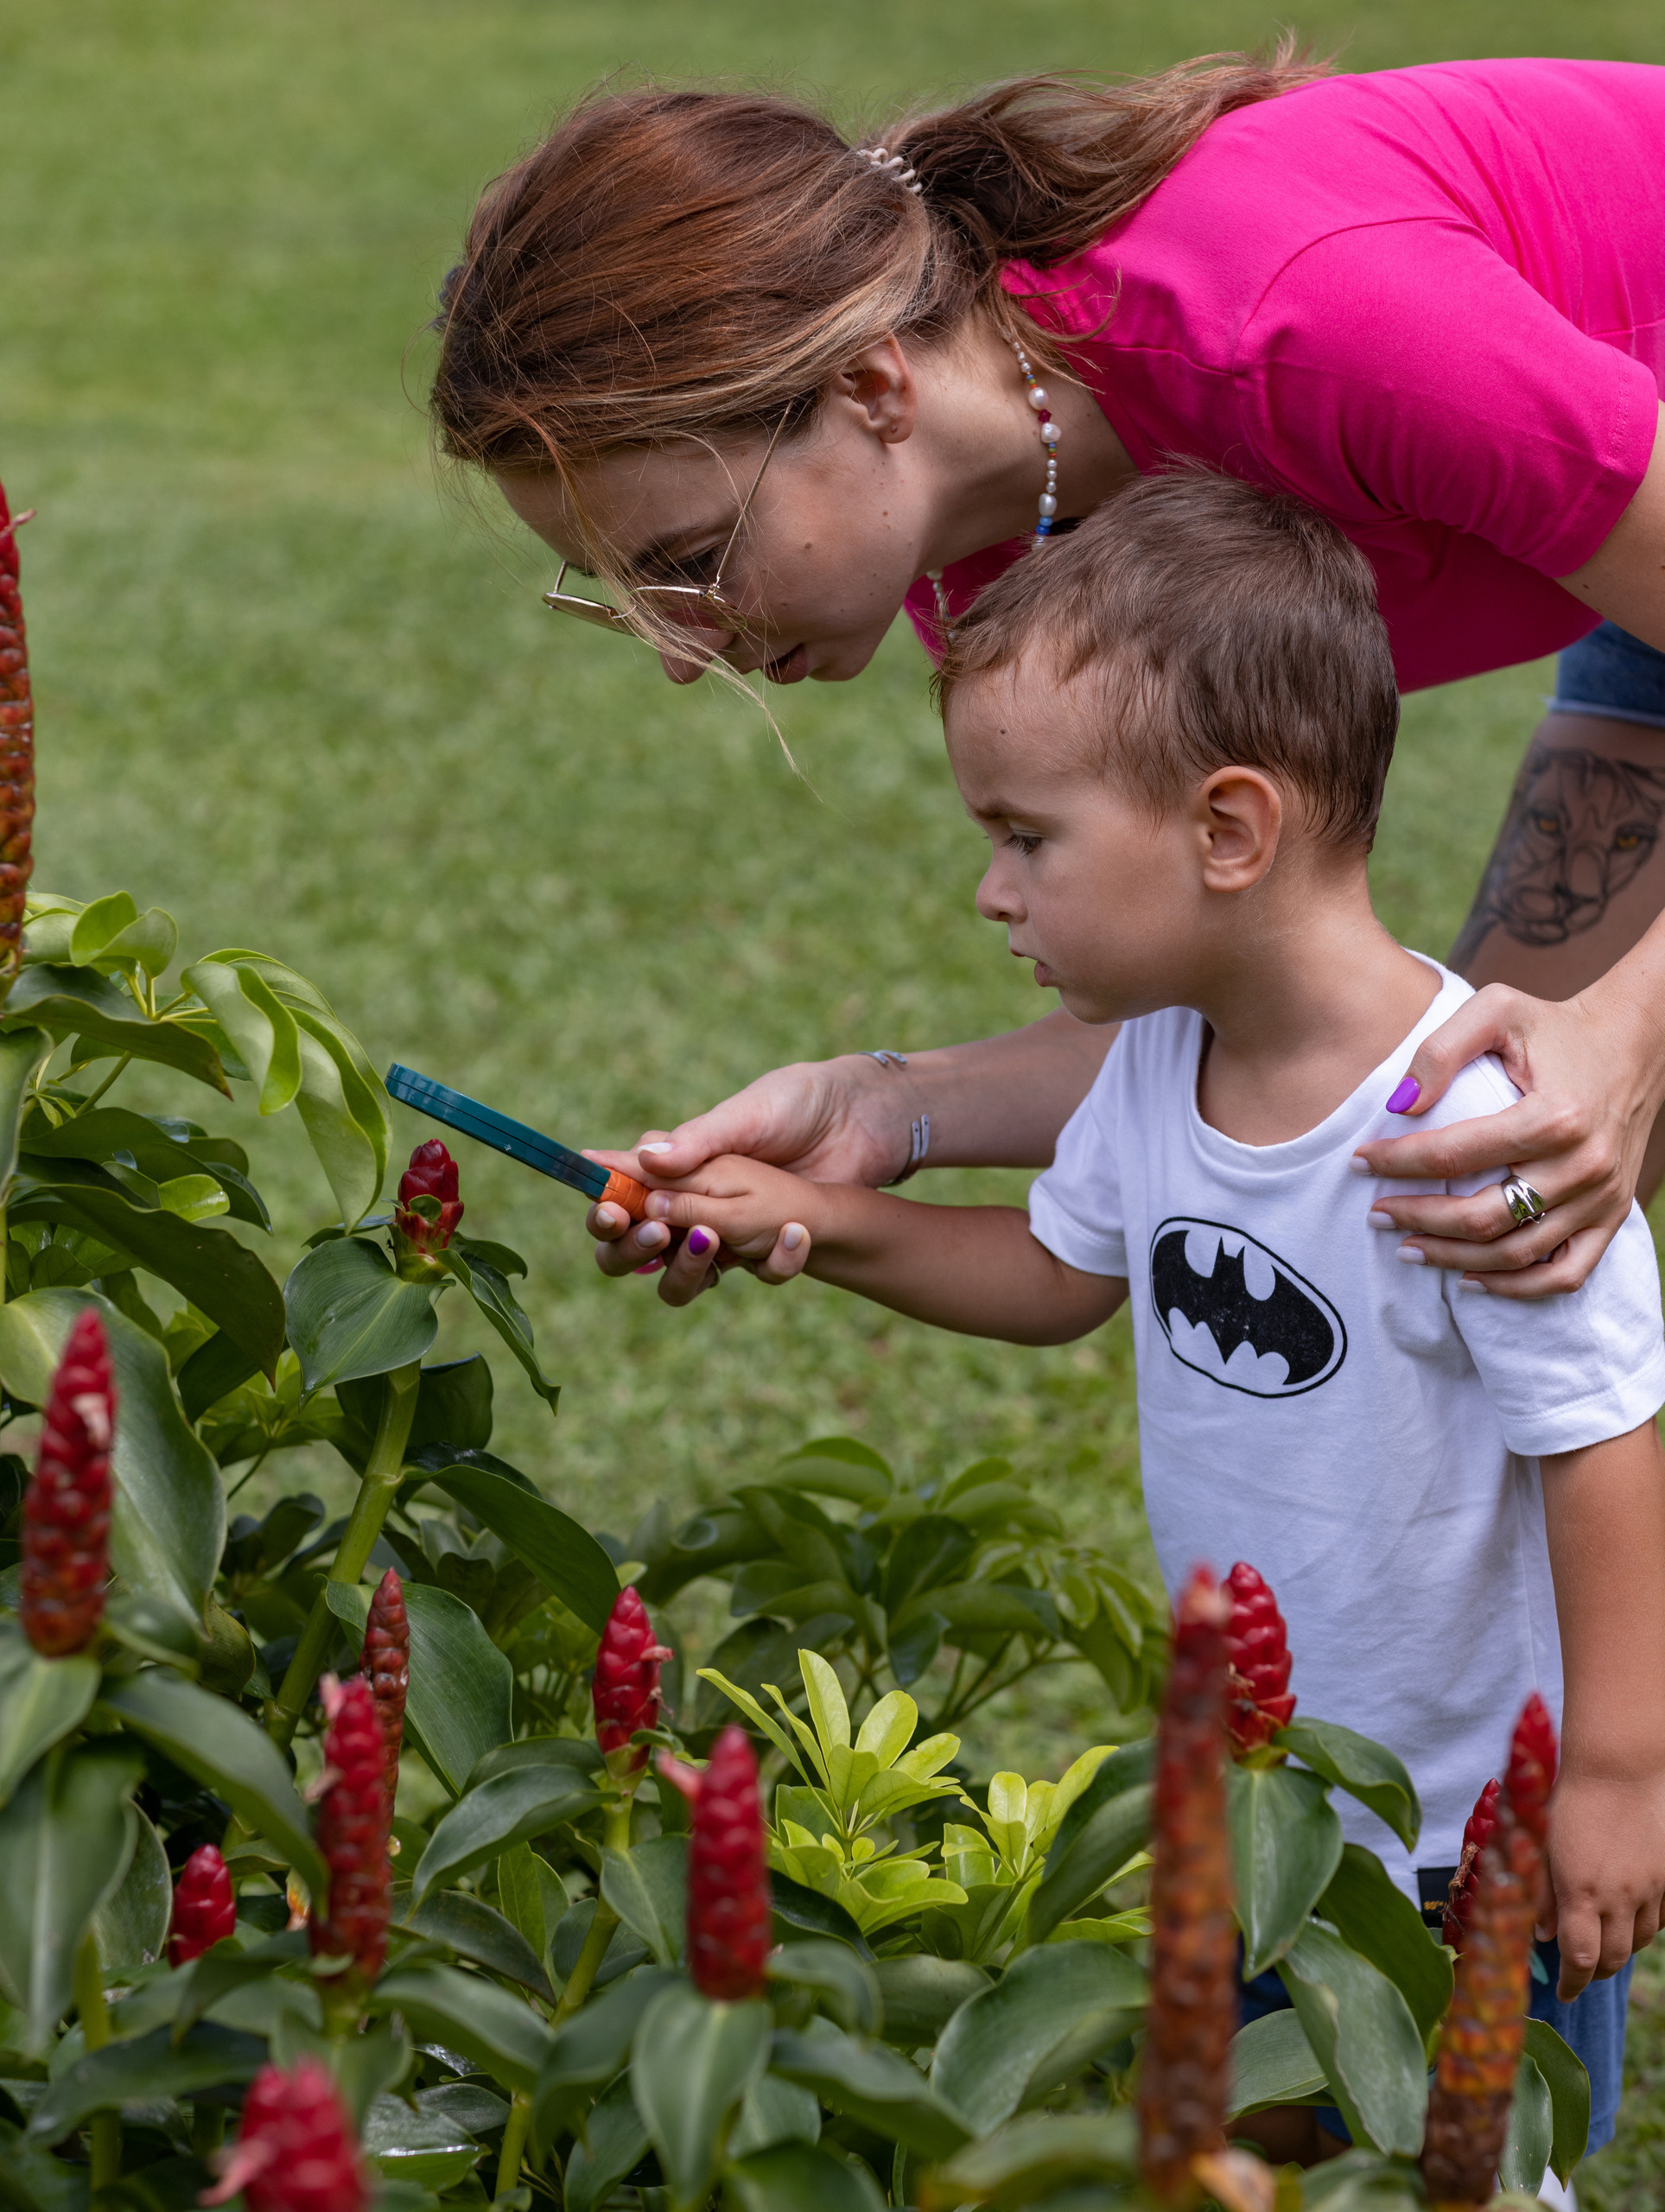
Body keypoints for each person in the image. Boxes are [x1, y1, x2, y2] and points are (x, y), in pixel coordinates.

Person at [601, 474, 1665, 2171]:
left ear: (1228, 831)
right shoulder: (1164, 1064)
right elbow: (1059, 1277)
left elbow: (1601, 1438)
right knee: (1254, 2138)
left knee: (1469, 2162)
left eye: (1026, 836)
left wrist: (1620, 1770)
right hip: (1244, 1782)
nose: (990, 894)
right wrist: (820, 1217)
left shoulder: (1475, 1114)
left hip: (1480, 1825)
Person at [430, 52, 1665, 1300]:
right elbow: (1251, 1008)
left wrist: (1628, 1031)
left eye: (692, 560)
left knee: (1547, 1135)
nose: (682, 654)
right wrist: (886, 1107)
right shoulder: (987, 566)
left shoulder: (1293, 319)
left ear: (869, 384)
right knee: (1475, 1182)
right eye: (626, 593)